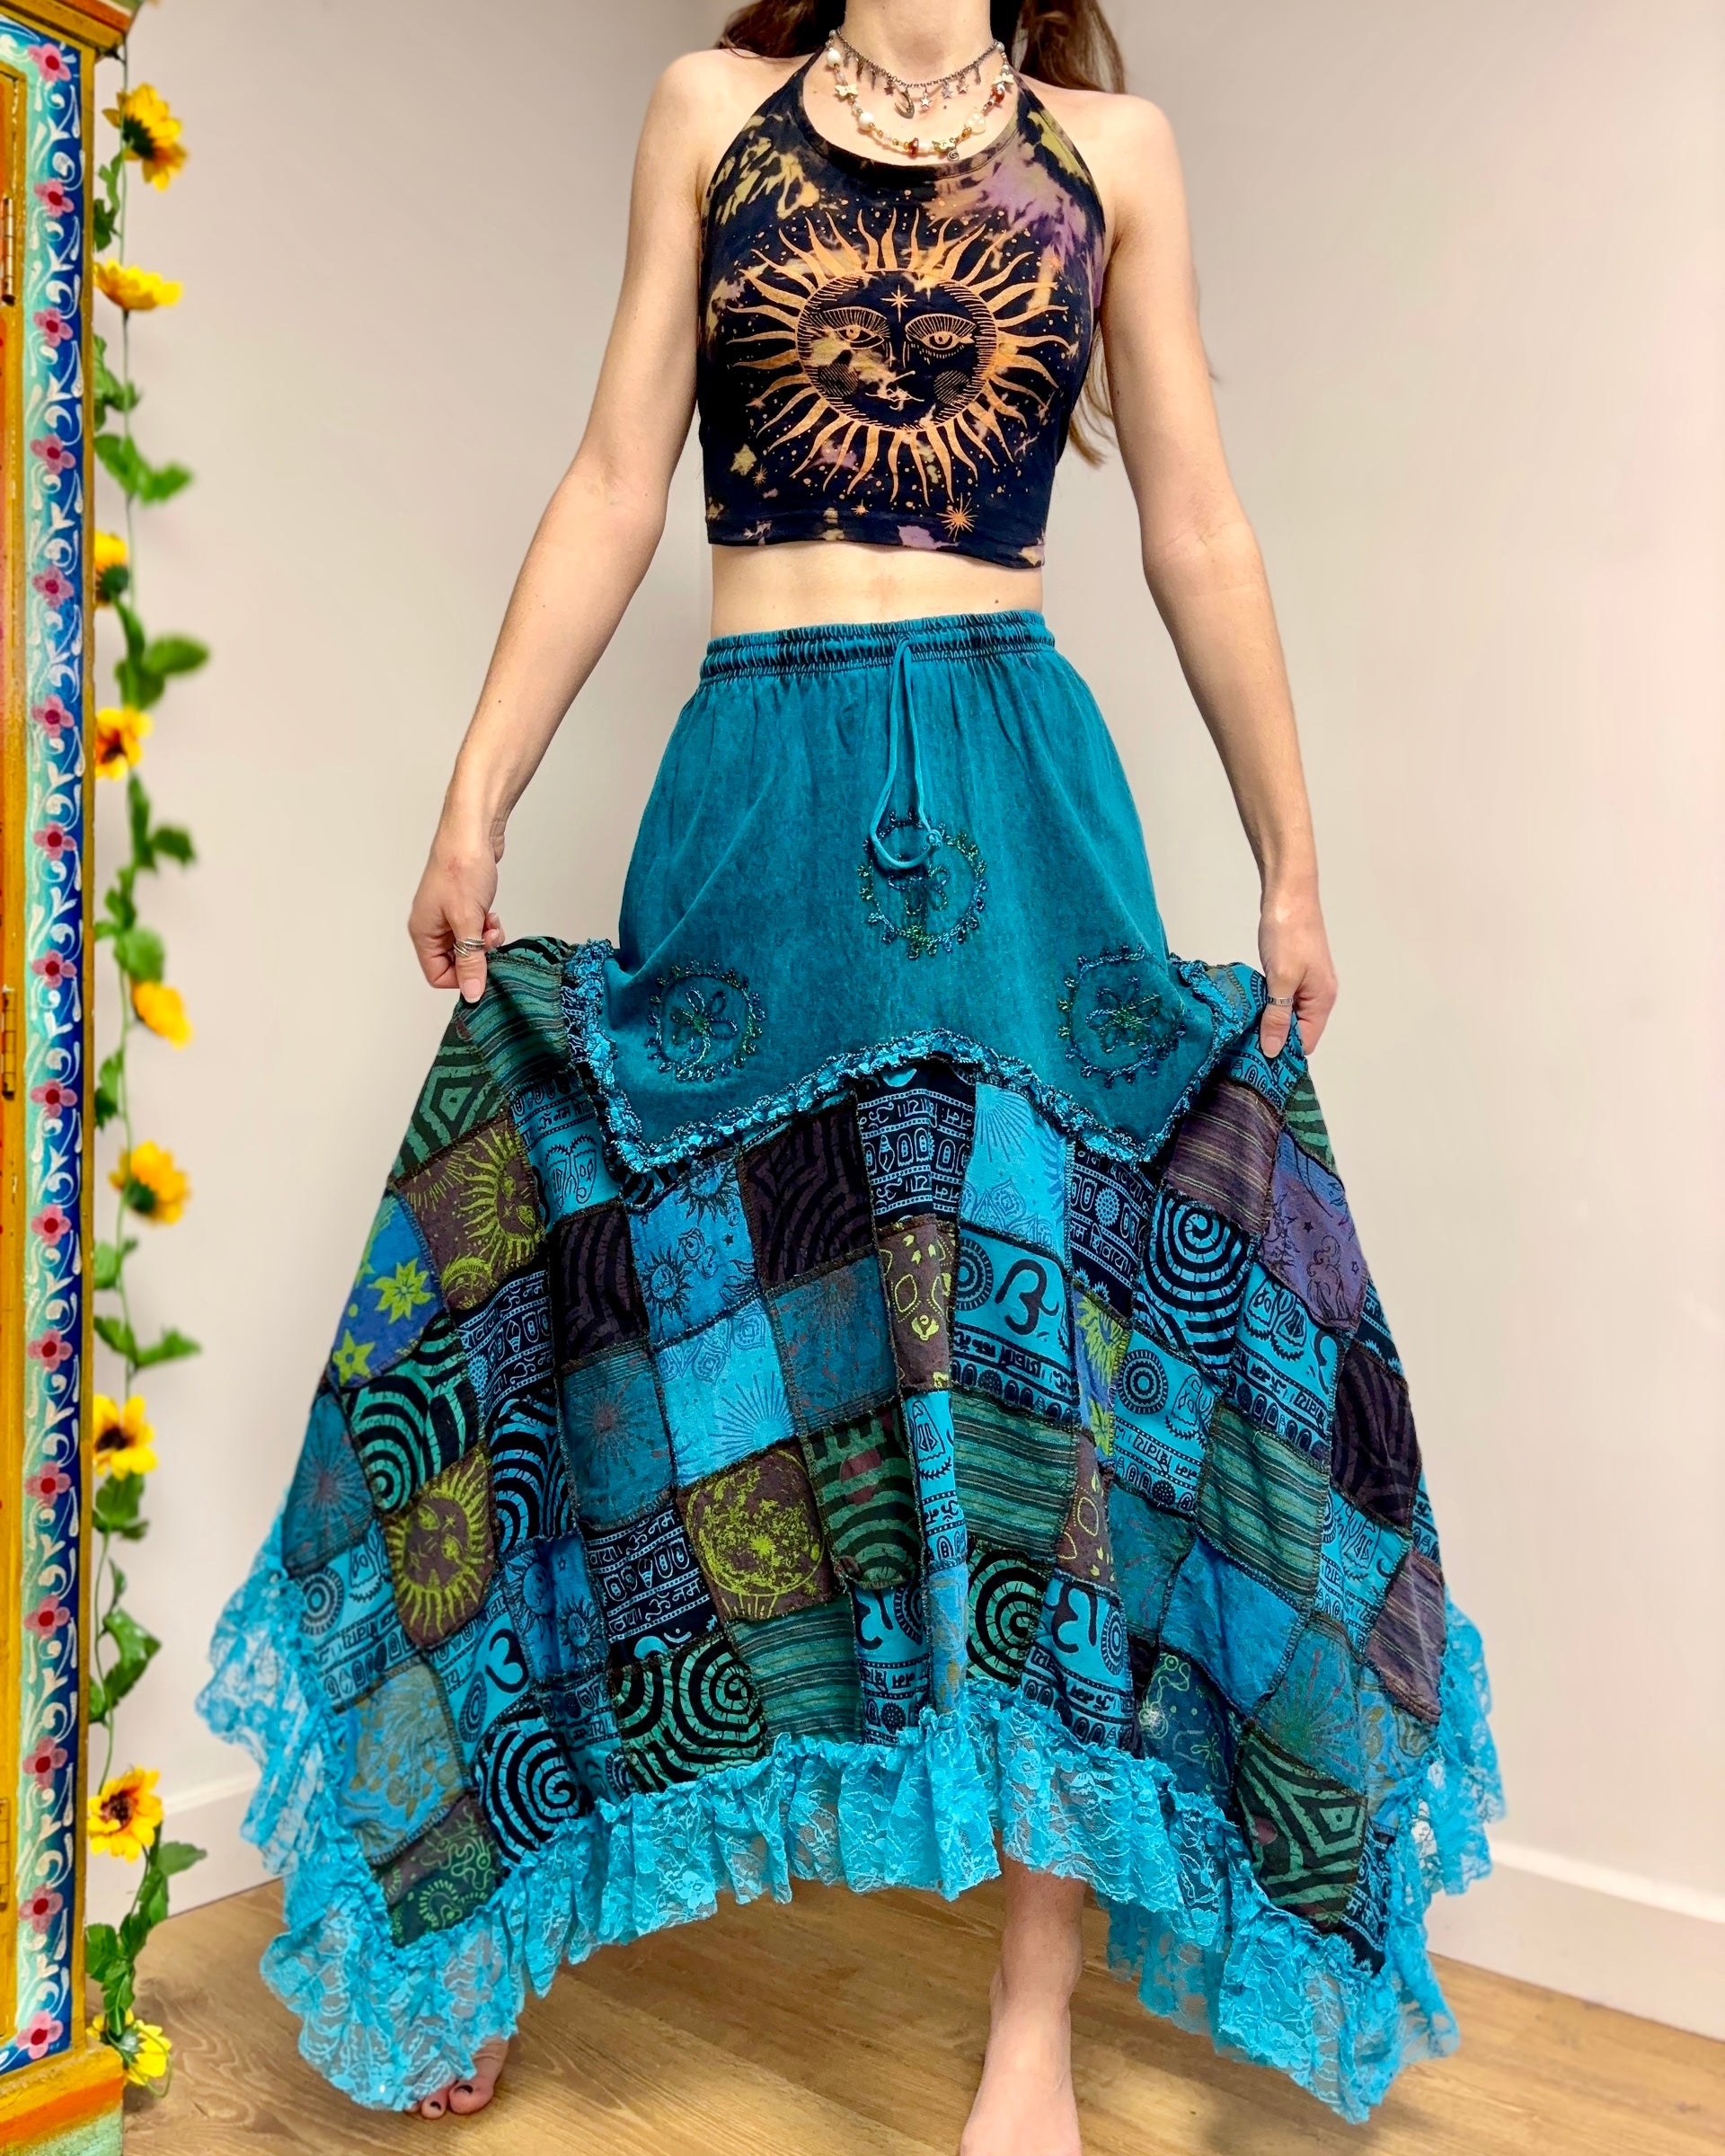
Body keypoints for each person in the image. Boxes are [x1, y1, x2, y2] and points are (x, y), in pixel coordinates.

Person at [202, 3, 1502, 2147]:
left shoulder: (1111, 156)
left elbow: (1196, 524)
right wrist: (473, 797)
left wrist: (1292, 856)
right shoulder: (712, 115)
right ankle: (483, 1903)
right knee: (622, 1321)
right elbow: (615, 480)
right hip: (759, 788)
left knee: (1046, 1383)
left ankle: (1029, 2026)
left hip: (1012, 798)